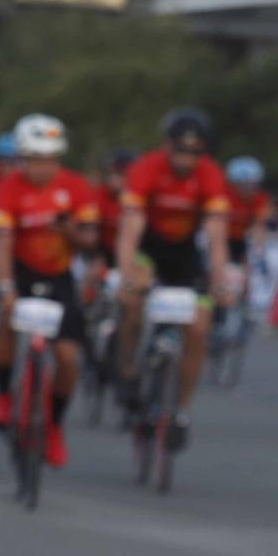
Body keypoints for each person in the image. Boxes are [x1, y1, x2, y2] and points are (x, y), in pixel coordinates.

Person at [113, 108, 230, 451]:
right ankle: (129, 368)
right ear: (167, 146)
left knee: (198, 327)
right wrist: (126, 273)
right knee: (132, 301)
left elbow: (216, 235)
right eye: (180, 150)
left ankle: (180, 409)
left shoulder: (210, 175)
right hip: (149, 250)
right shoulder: (147, 168)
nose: (186, 159)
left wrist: (221, 279)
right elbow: (130, 228)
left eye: (195, 152)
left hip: (185, 257)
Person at [0, 114, 100, 468]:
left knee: (68, 358)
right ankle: (5, 395)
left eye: (48, 160)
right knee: (7, 320)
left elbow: (90, 239)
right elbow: (3, 244)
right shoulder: (10, 189)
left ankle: (53, 425)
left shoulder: (77, 187)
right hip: (20, 272)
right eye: (34, 159)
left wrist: (69, 231)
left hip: (59, 277)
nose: (41, 168)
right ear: (22, 158)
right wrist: (6, 289)